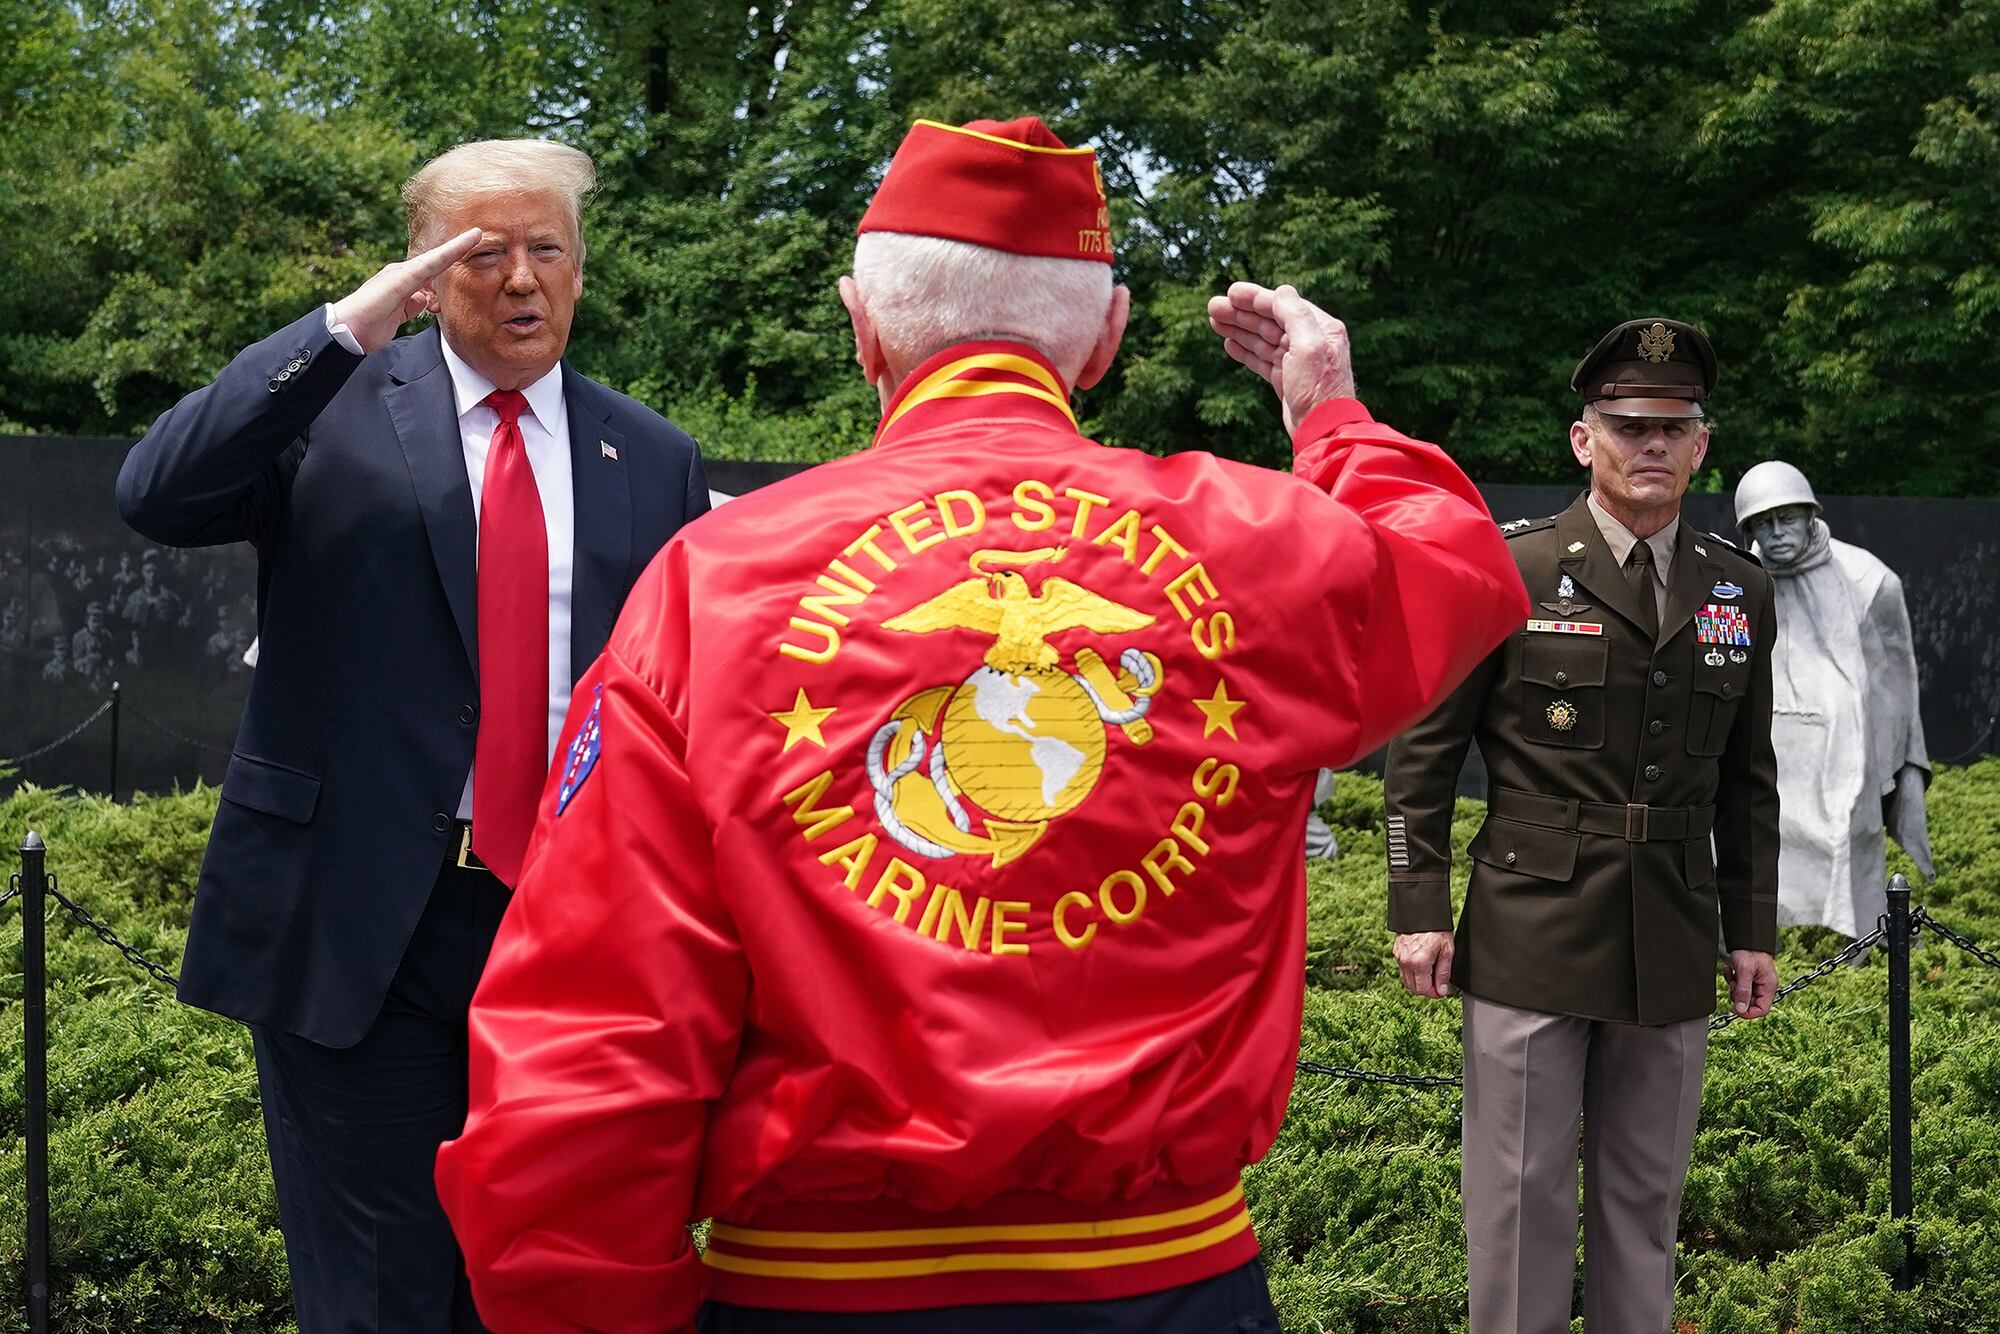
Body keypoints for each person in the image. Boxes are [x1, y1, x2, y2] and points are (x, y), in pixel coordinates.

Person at [432, 115, 1527, 1333]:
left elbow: (599, 1024)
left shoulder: (715, 580)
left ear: (861, 329)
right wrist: (1328, 414)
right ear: (1105, 340)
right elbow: (1454, 568)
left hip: (819, 1290)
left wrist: (595, 1308)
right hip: (1166, 1282)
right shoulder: (1258, 549)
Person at [116, 138, 710, 1332]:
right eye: (483, 252)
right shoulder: (323, 415)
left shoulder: (648, 456)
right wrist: (343, 327)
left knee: (545, 1275)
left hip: (562, 928)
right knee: (380, 1290)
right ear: (426, 277)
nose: (521, 278)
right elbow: (157, 493)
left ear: (581, 274)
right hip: (352, 921)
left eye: (547, 249)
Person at [1383, 318, 1781, 1334]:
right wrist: (1416, 903)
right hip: (1531, 922)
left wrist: (1752, 927)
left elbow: (1747, 776)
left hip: (1673, 926)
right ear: (1581, 438)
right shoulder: (1506, 570)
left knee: (1643, 1202)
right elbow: (1423, 751)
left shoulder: (1736, 587)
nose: (1648, 445)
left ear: (1702, 445)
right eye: (1626, 424)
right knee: (1517, 1198)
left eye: (1671, 427)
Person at [1735, 460, 1932, 934]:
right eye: (1763, 522)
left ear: (1809, 515)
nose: (1777, 533)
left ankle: (1849, 950)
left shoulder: (1868, 581)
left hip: (1841, 756)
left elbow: (1894, 691)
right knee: (1758, 852)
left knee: (1844, 853)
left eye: (1788, 518)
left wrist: (1889, 770)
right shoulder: (1736, 582)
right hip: (1768, 749)